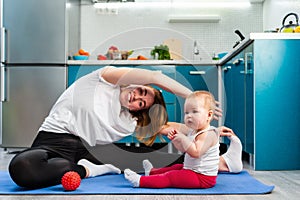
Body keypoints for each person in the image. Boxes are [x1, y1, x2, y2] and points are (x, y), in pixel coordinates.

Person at [8, 66, 192, 189]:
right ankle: (90, 170)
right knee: (22, 167)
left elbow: (168, 127)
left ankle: (218, 154)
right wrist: (193, 96)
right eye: (141, 91)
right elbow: (155, 77)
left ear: (139, 110)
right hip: (54, 141)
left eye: (141, 104)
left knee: (157, 157)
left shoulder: (129, 119)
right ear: (138, 84)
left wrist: (205, 130)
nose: (136, 99)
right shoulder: (102, 79)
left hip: (93, 151)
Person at [124, 91, 242, 189]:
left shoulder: (208, 134)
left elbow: (195, 152)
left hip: (202, 178)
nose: (189, 116)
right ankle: (152, 172)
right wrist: (176, 140)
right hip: (193, 170)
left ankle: (140, 181)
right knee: (176, 168)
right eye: (186, 113)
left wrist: (183, 138)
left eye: (194, 112)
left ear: (209, 115)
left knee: (171, 176)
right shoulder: (193, 130)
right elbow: (185, 149)